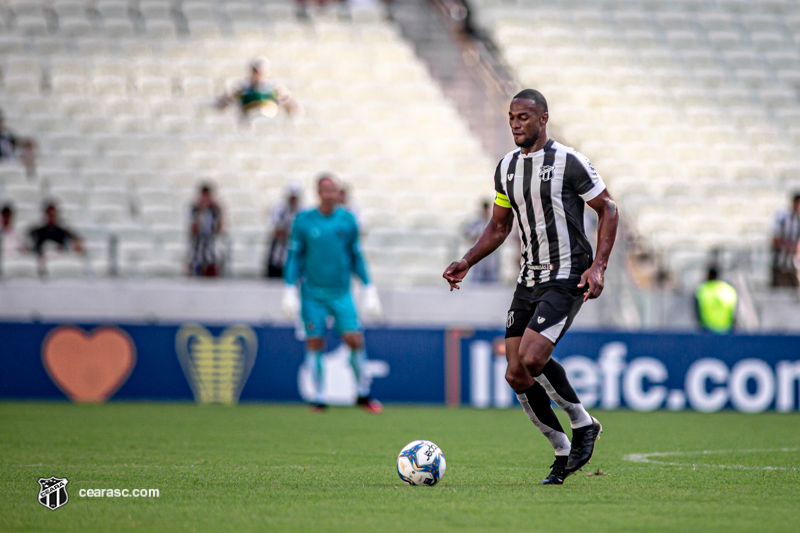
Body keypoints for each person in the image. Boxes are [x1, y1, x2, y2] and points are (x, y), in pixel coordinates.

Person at [443, 89, 619, 485]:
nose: (515, 124)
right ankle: (561, 449)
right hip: (529, 278)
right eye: (511, 117)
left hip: (568, 272)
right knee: (516, 374)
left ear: (543, 119)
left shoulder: (569, 161)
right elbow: (499, 226)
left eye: (523, 117)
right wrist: (467, 260)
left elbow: (608, 208)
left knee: (533, 356)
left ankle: (583, 423)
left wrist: (599, 267)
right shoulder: (506, 168)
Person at [282, 173, 383, 413]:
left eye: (333, 190)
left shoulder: (347, 220)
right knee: (315, 341)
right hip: (312, 293)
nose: (329, 195)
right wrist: (289, 288)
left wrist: (369, 287)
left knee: (354, 339)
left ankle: (362, 393)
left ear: (338, 193)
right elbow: (294, 257)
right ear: (318, 193)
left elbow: (356, 256)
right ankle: (318, 395)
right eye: (325, 190)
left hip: (341, 292)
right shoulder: (304, 220)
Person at [215, 57, 298, 125]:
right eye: (255, 71)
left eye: (261, 71)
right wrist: (227, 98)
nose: (258, 74)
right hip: (250, 121)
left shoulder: (274, 88)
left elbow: (291, 104)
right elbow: (222, 104)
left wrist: (290, 117)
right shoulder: (242, 87)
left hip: (269, 120)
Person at [29, 202, 84, 272]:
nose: (51, 218)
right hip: (43, 260)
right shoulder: (38, 232)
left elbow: (76, 239)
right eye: (49, 215)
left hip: (59, 260)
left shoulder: (62, 231)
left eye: (53, 215)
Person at [265, 183, 303, 279]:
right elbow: (275, 230)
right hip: (279, 248)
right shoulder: (278, 208)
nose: (293, 200)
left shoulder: (302, 210)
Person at [189, 183, 224, 277]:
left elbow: (219, 229)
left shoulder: (215, 210)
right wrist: (200, 211)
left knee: (213, 259)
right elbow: (192, 229)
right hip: (197, 244)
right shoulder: (195, 209)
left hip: (211, 243)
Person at [461, 199, 499, 284]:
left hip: (490, 251)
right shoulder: (477, 222)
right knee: (477, 272)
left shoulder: (493, 221)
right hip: (479, 250)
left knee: (490, 270)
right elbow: (468, 234)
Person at [695, 266, 737, 334]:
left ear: (709, 275)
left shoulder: (702, 289)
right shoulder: (729, 289)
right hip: (726, 331)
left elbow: (697, 312)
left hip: (707, 332)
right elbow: (734, 313)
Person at [770, 192, 800, 288]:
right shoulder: (782, 218)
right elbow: (775, 238)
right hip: (780, 265)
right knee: (779, 291)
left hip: (794, 266)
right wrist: (789, 246)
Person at [0, 108, 36, 176]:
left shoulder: (7, 136)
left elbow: (20, 142)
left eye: (1, 121)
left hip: (8, 164)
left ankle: (30, 174)